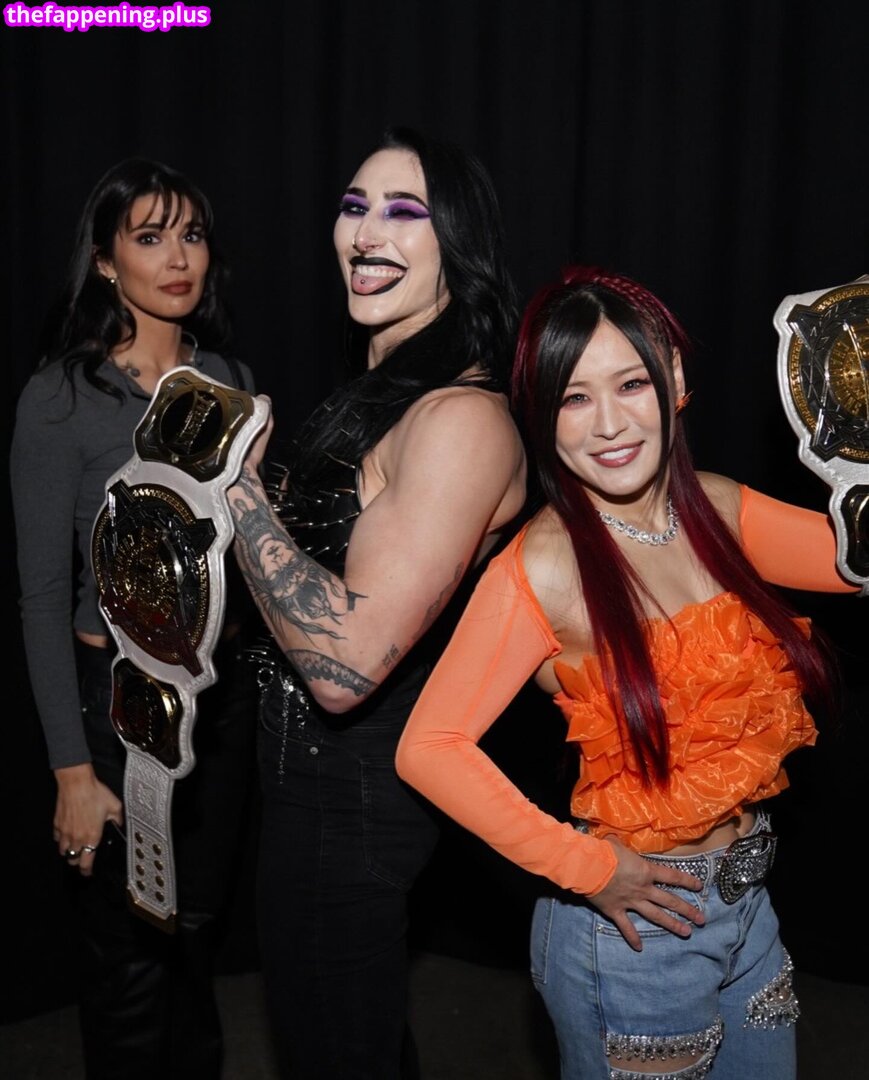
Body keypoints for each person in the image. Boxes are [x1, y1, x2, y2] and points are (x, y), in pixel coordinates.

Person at [396, 266, 857, 1080]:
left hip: (748, 908)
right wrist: (589, 870)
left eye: (630, 384)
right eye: (572, 398)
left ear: (672, 380)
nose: (607, 423)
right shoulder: (542, 567)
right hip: (635, 937)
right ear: (541, 414)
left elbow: (855, 557)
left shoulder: (717, 509)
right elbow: (428, 746)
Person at [227, 127, 526, 1078]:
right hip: (301, 789)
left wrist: (236, 489)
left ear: (458, 246)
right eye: (354, 207)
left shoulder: (459, 418)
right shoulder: (386, 395)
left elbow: (346, 666)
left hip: (350, 804)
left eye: (405, 213)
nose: (366, 233)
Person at [11, 158, 257, 1080]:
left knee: (194, 941)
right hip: (113, 711)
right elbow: (41, 597)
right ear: (106, 260)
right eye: (150, 237)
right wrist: (70, 771)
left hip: (220, 705)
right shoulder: (61, 398)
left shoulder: (228, 380)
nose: (177, 258)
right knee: (125, 961)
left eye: (191, 235)